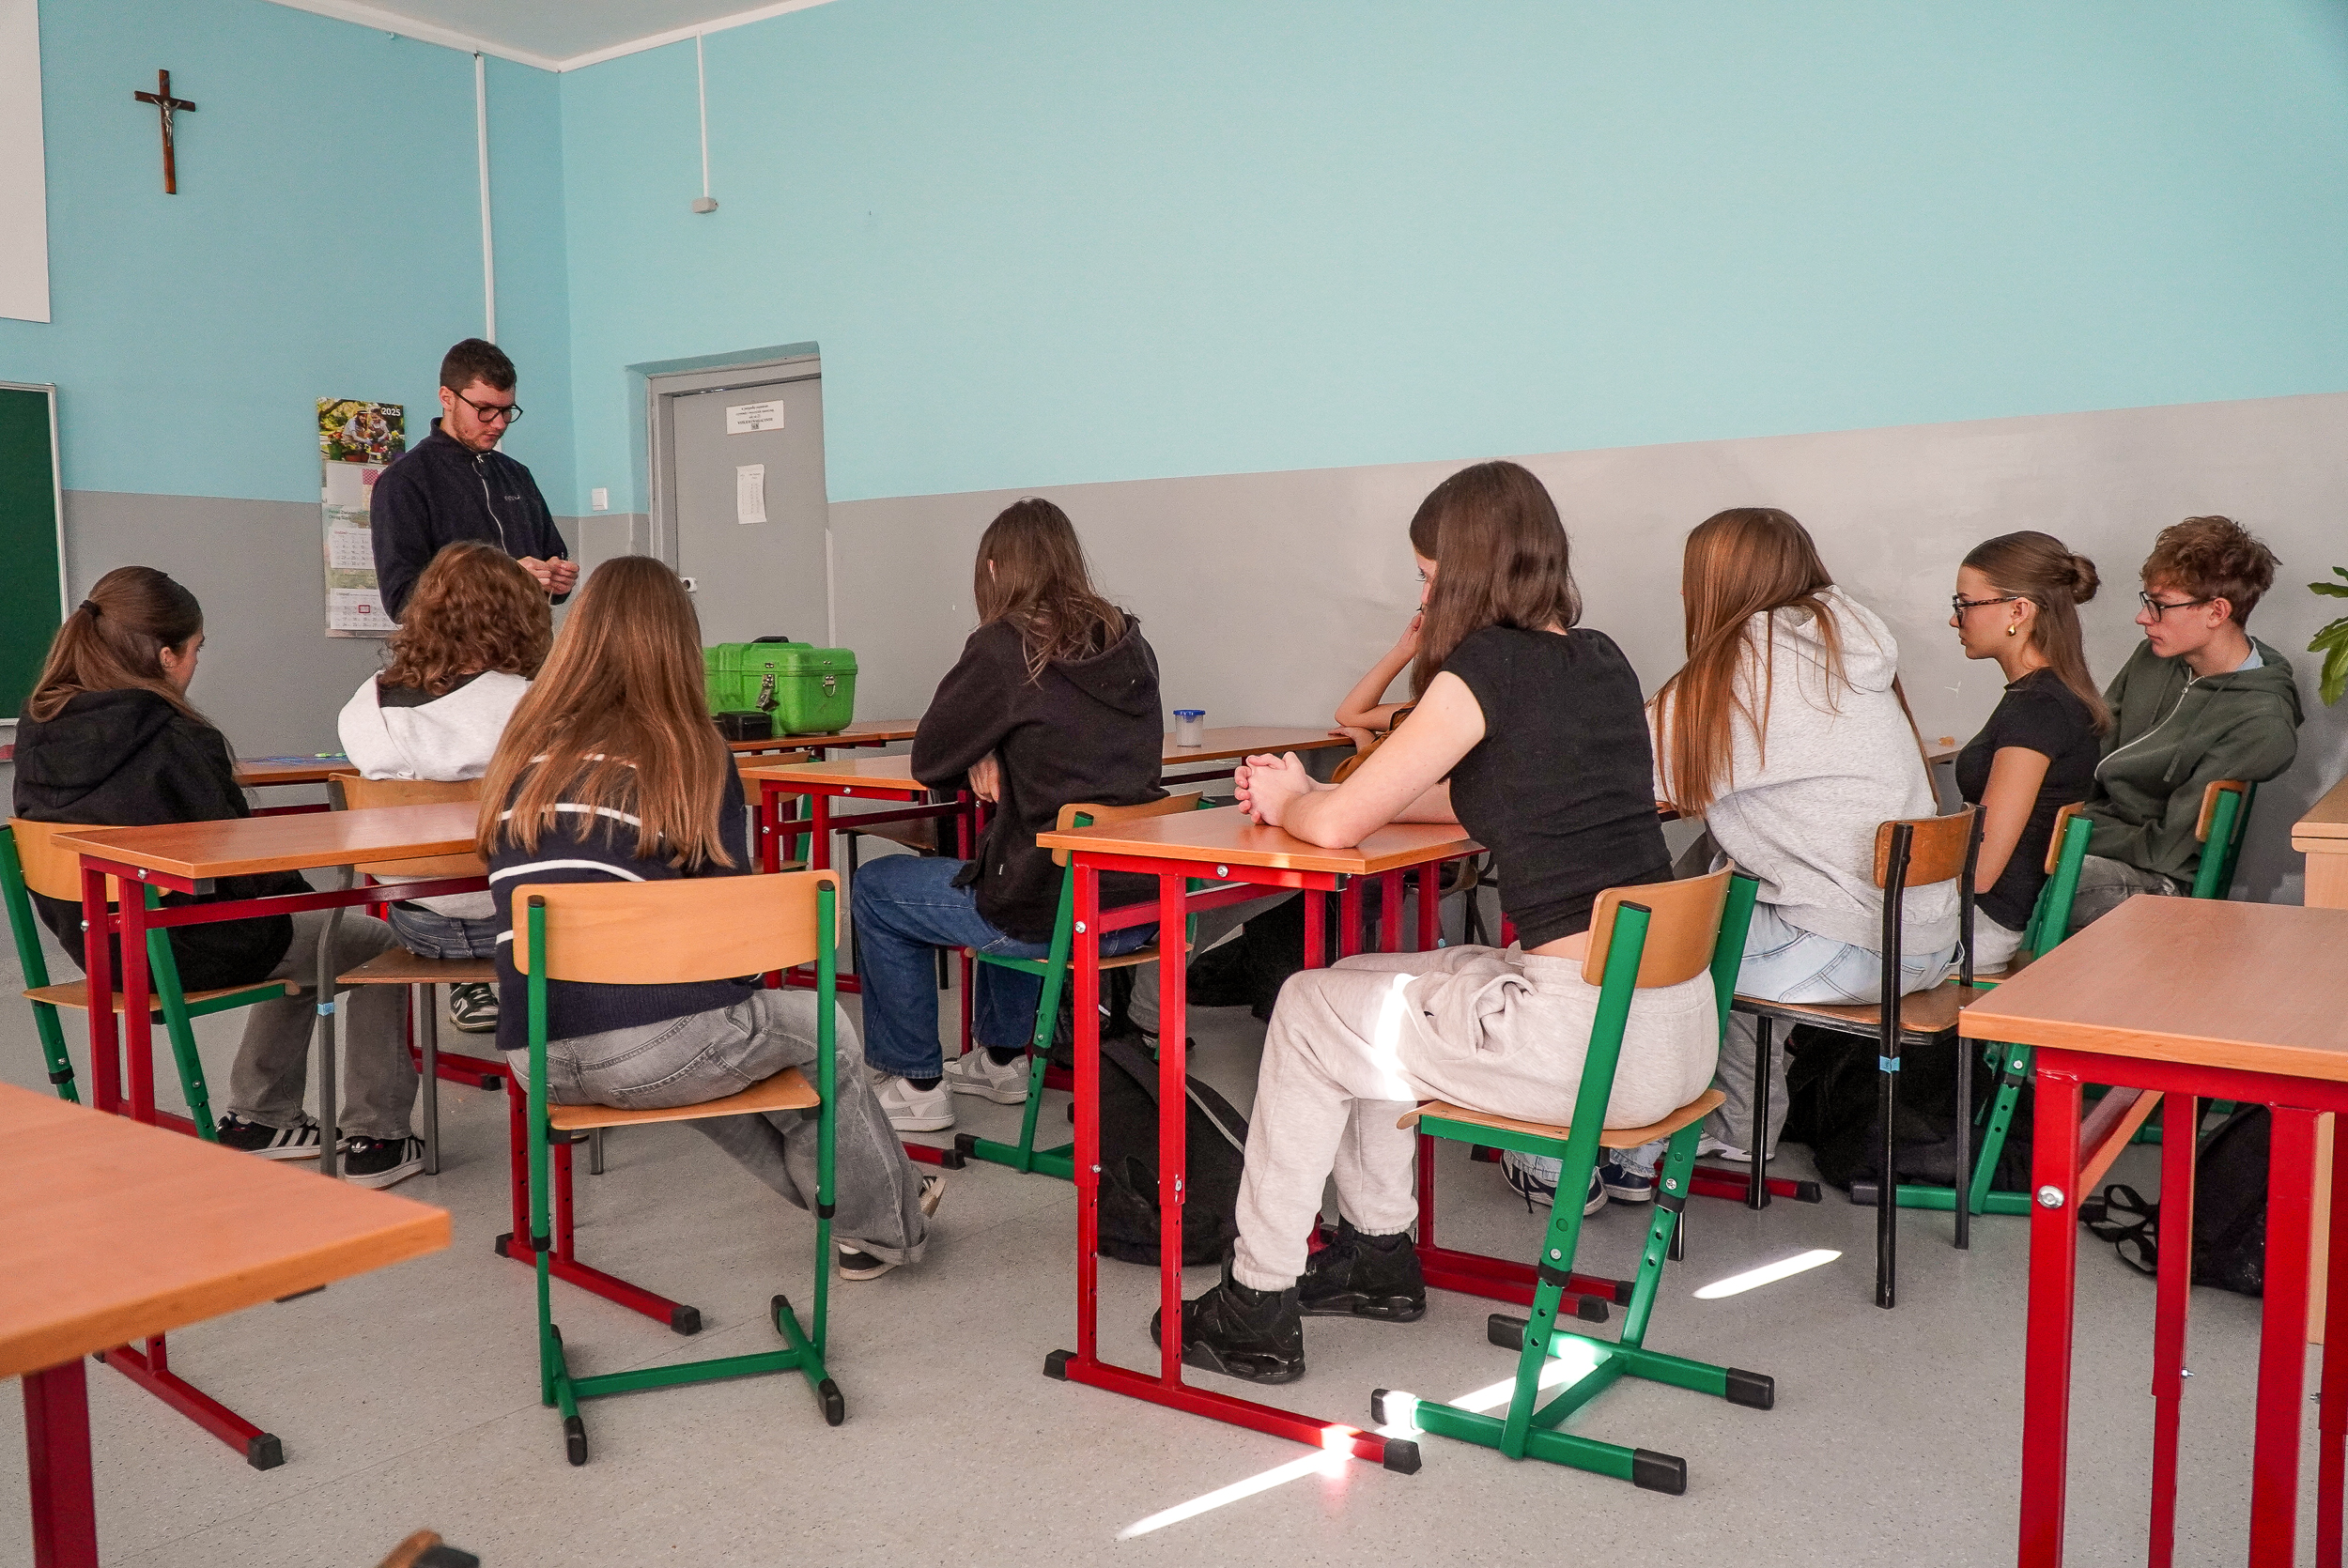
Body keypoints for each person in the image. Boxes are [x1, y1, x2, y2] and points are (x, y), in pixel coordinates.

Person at [1157, 461, 1715, 1386]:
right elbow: (1470, 800)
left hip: (1583, 1045)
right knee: (1362, 982)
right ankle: (1377, 1257)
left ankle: (1255, 1300)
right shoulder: (1600, 659)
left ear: (1465, 571)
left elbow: (1337, 826)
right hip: (1669, 1031)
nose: (1422, 598)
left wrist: (1299, 798)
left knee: (1304, 1005)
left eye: (1427, 576)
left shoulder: (1483, 666)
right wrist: (1328, 796)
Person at [480, 556, 936, 1281]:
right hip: (646, 1052)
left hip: (534, 1052)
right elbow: (734, 941)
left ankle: (883, 1204)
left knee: (724, 1054)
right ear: (679, 645)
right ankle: (879, 1225)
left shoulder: (522, 754)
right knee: (820, 1033)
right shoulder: (689, 753)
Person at [12, 567, 425, 1186]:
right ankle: (379, 1135)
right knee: (379, 943)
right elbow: (242, 870)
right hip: (180, 949)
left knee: (302, 933)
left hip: (100, 947)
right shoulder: (173, 735)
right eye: (196, 650)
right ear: (166, 655)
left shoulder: (39, 727)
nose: (195, 664)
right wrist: (301, 899)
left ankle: (264, 1118)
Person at [1649, 508, 1956, 1170]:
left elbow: (1629, 770)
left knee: (1641, 951)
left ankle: (1630, 1143)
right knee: (1722, 896)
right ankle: (1737, 1130)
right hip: (1924, 944)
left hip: (1843, 948)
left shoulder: (1742, 669)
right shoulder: (1848, 651)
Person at [850, 499, 1166, 1132]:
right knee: (1003, 858)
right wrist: (990, 747)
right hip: (1138, 908)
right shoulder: (1131, 644)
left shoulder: (1004, 646)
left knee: (877, 889)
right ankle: (999, 1062)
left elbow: (930, 757)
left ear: (993, 568)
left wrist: (978, 747)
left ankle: (916, 1084)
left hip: (1054, 913)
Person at [338, 541, 550, 1034]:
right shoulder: (530, 705)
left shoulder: (365, 705)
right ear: (521, 619)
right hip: (519, 922)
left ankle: (471, 986)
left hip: (415, 922)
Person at [2070, 515, 2300, 927]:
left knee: (2047, 875)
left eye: (2160, 605)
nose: (2143, 618)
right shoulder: (2154, 658)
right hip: (2097, 834)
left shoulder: (2262, 720)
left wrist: (2071, 830)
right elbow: (2095, 747)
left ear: (2217, 611)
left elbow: (2166, 849)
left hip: (2163, 878)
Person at [1947, 533, 2107, 972]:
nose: (1954, 619)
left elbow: (1981, 872)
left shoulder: (2039, 708)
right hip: (1973, 917)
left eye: (1965, 604)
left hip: (1977, 928)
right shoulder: (2044, 697)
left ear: (2018, 611)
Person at [371, 338, 577, 622]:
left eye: (507, 410)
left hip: (529, 645)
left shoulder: (517, 475)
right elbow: (402, 601)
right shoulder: (405, 481)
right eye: (485, 409)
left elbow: (551, 555)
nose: (499, 423)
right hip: (452, 649)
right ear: (447, 398)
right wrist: (503, 580)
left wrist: (556, 577)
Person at [1329, 504, 1441, 749]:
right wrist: (1404, 650)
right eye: (1424, 579)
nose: (1425, 596)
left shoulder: (1450, 711)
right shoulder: (1422, 710)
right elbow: (1349, 715)